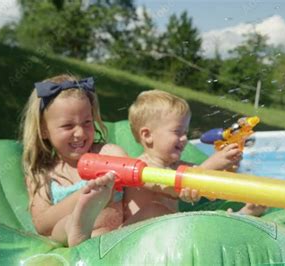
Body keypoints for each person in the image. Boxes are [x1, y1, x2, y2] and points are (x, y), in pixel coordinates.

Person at [21, 74, 162, 247]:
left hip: (115, 237)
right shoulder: (43, 174)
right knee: (62, 226)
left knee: (156, 210)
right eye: (68, 126)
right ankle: (77, 224)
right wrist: (86, 197)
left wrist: (175, 188)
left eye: (87, 122)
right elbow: (42, 224)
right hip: (73, 242)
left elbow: (143, 178)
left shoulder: (108, 154)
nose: (80, 133)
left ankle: (82, 227)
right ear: (43, 130)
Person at [126, 90, 266, 217]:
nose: (185, 138)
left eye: (185, 133)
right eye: (177, 132)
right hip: (138, 233)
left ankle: (239, 216)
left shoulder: (179, 166)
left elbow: (212, 180)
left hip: (165, 231)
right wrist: (212, 163)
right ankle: (238, 217)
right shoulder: (141, 168)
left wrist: (230, 163)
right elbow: (171, 187)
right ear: (147, 135)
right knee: (156, 209)